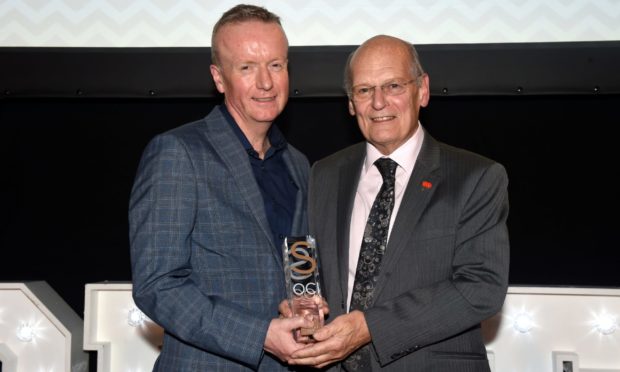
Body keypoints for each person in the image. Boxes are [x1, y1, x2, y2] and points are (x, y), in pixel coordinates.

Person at [287, 35, 510, 371]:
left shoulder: (475, 177)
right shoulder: (325, 173)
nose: (378, 103)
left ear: (422, 90)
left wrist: (370, 326)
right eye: (364, 90)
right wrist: (301, 307)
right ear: (351, 103)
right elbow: (309, 266)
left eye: (393, 86)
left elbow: (482, 287)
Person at [129, 4, 314, 371]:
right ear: (218, 77)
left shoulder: (298, 164)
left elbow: (297, 267)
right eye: (247, 67)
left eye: (276, 65)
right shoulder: (178, 153)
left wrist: (306, 305)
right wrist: (260, 334)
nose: (266, 82)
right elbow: (157, 285)